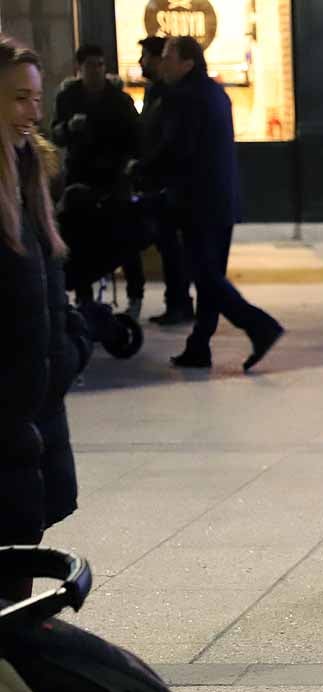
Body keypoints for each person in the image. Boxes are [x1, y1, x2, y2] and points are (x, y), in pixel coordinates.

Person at [0, 37, 89, 601]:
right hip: (8, 409)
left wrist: (71, 346)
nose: (35, 112)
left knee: (20, 549)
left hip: (35, 406)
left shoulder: (31, 171)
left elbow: (49, 281)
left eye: (36, 98)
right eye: (18, 99)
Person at [147, 36, 283, 372]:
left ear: (188, 63)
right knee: (210, 276)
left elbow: (179, 149)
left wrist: (145, 169)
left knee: (204, 275)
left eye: (168, 57)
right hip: (220, 201)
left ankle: (259, 326)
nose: (161, 63)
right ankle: (199, 345)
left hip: (198, 203)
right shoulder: (214, 93)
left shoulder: (185, 97)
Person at [51, 44, 144, 319]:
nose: (97, 70)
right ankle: (83, 297)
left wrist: (129, 166)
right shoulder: (69, 97)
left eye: (101, 64)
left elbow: (136, 137)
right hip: (80, 178)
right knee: (79, 238)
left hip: (113, 178)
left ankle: (135, 295)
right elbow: (55, 133)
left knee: (123, 236)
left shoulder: (119, 99)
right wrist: (69, 127)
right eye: (91, 65)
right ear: (79, 69)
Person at [137, 35, 192, 327]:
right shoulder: (155, 93)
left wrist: (146, 164)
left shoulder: (169, 95)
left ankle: (180, 303)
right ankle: (178, 302)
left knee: (172, 246)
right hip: (156, 179)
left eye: (146, 56)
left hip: (166, 182)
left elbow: (167, 140)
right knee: (168, 245)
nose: (140, 62)